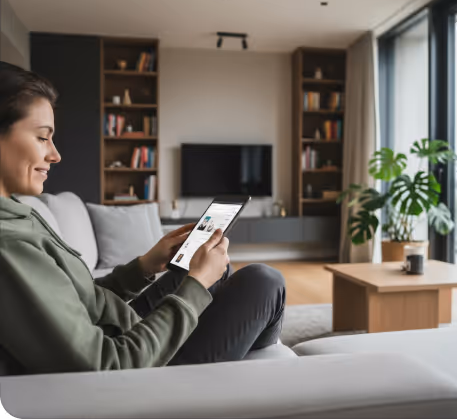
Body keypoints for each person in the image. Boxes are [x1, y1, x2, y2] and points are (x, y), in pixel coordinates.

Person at [0, 61, 286, 375]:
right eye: (42, 138)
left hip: (123, 329)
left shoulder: (17, 213)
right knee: (264, 281)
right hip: (137, 364)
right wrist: (197, 285)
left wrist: (145, 265)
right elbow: (107, 364)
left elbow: (82, 299)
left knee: (215, 269)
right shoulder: (11, 246)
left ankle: (237, 346)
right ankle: (258, 373)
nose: (55, 154)